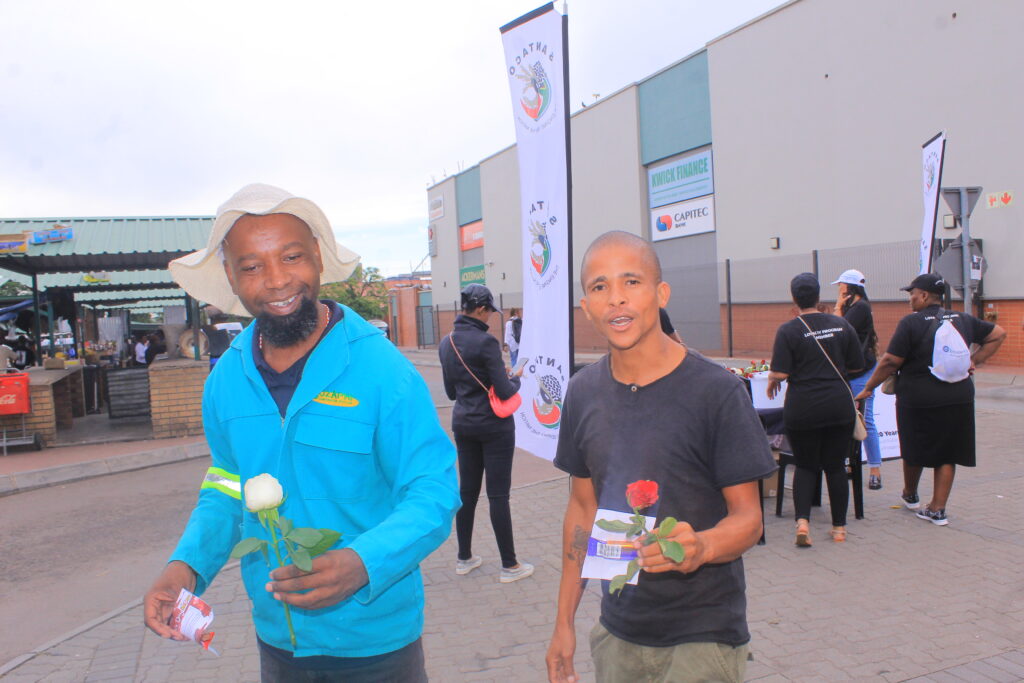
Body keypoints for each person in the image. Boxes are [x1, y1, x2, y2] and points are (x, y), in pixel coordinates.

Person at [146, 183, 460, 682]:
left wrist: (363, 562)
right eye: (251, 266)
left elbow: (433, 492)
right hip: (279, 641)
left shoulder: (382, 371)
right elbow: (228, 483)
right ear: (231, 276)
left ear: (316, 257)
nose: (275, 280)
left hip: (376, 646)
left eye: (291, 256)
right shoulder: (226, 380)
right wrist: (187, 566)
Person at [546, 231, 775, 683]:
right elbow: (582, 508)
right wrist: (562, 624)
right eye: (599, 287)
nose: (616, 299)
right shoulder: (581, 392)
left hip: (703, 637)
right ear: (586, 305)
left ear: (660, 293)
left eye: (631, 282)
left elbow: (749, 520)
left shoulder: (716, 391)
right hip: (617, 633)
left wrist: (702, 547)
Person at [855, 273, 1005, 525]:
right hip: (958, 395)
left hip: (918, 397)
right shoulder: (963, 319)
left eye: (912, 294)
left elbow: (891, 361)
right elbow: (998, 334)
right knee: (948, 451)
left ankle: (910, 494)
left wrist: (869, 388)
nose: (909, 299)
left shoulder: (910, 323)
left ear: (924, 296)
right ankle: (938, 509)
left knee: (913, 446)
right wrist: (974, 361)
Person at [439, 285, 532, 583]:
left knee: (467, 492)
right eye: (490, 311)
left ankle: (464, 558)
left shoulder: (446, 342)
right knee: (498, 495)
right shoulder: (486, 342)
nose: (491, 317)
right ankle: (510, 566)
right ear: (480, 309)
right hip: (494, 427)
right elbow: (504, 391)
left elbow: (451, 392)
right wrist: (515, 378)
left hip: (464, 424)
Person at [767, 273, 864, 546]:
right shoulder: (841, 325)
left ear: (794, 298)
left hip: (803, 407)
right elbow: (857, 365)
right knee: (835, 466)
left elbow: (782, 372)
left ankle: (802, 524)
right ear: (819, 296)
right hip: (837, 405)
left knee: (806, 466)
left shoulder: (788, 330)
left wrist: (774, 377)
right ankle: (839, 529)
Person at [831, 269, 883, 489]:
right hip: (855, 370)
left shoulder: (859, 308)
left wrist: (837, 307)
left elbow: (837, 331)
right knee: (850, 419)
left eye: (841, 284)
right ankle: (850, 464)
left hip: (860, 371)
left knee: (865, 419)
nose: (839, 288)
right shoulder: (857, 307)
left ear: (850, 286)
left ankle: (875, 469)